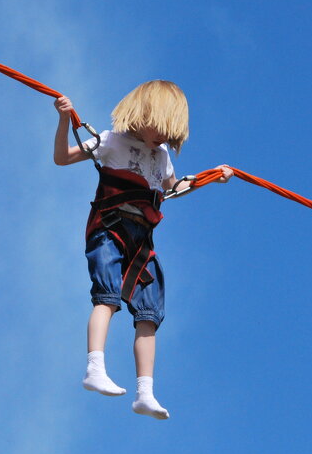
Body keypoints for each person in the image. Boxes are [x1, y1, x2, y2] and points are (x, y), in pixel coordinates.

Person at [53, 80, 231, 420]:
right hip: (109, 228)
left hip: (142, 242)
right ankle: (95, 368)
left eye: (170, 133)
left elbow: (173, 189)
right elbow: (62, 158)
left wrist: (210, 178)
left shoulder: (162, 156)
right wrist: (64, 120)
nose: (164, 138)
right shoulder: (110, 141)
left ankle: (145, 392)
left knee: (149, 314)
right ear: (145, 115)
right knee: (107, 297)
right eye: (162, 128)